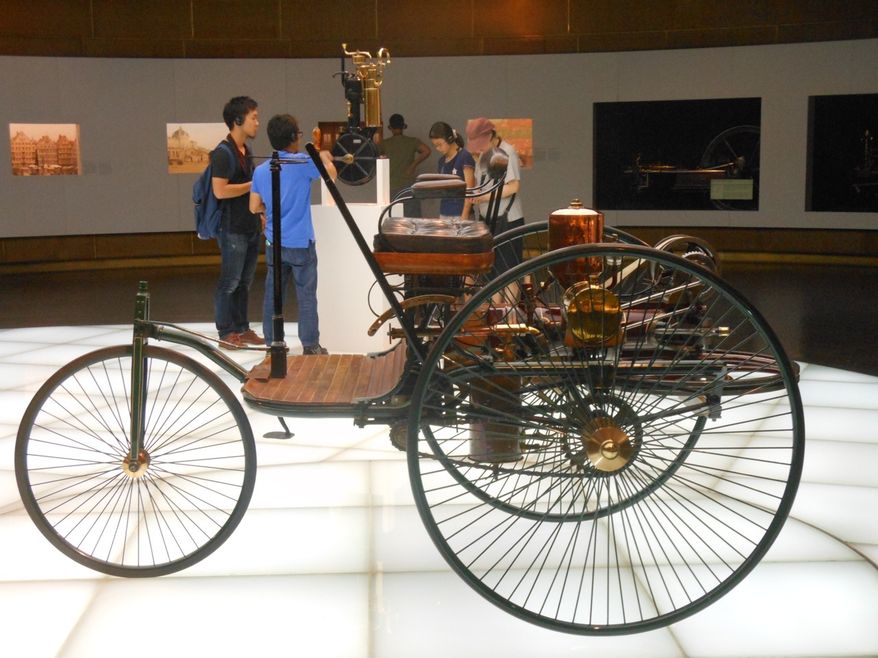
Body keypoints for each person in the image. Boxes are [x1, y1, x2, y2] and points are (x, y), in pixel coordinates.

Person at [250, 114, 337, 355]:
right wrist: (323, 156)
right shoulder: (302, 163)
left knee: (273, 294)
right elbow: (332, 175)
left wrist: (268, 209)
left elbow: (253, 206)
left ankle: (272, 343)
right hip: (301, 242)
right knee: (306, 296)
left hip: (274, 241)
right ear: (292, 138)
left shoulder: (261, 170)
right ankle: (310, 345)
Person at [212, 95, 263, 348]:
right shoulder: (223, 153)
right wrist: (253, 185)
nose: (257, 122)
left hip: (249, 225)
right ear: (238, 120)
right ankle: (226, 332)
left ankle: (242, 328)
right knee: (229, 282)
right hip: (232, 228)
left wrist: (260, 213)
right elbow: (220, 191)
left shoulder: (246, 150)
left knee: (244, 282)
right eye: (253, 117)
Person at [466, 117, 525, 272]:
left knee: (508, 270)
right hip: (487, 219)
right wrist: (476, 193)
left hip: (507, 220)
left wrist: (484, 196)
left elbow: (513, 187)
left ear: (490, 137)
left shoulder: (507, 151)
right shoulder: (484, 154)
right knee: (490, 270)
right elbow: (482, 183)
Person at [380, 113, 430, 215]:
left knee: (393, 218)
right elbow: (427, 151)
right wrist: (413, 165)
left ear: (390, 128)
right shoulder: (412, 141)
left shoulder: (384, 144)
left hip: (391, 187)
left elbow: (375, 154)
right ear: (403, 127)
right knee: (411, 219)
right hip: (408, 186)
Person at [428, 121, 476, 220]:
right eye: (435, 145)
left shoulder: (464, 156)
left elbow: (469, 189)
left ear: (450, 139)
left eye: (439, 144)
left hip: (461, 213)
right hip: (444, 212)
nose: (437, 148)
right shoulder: (441, 161)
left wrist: (464, 216)